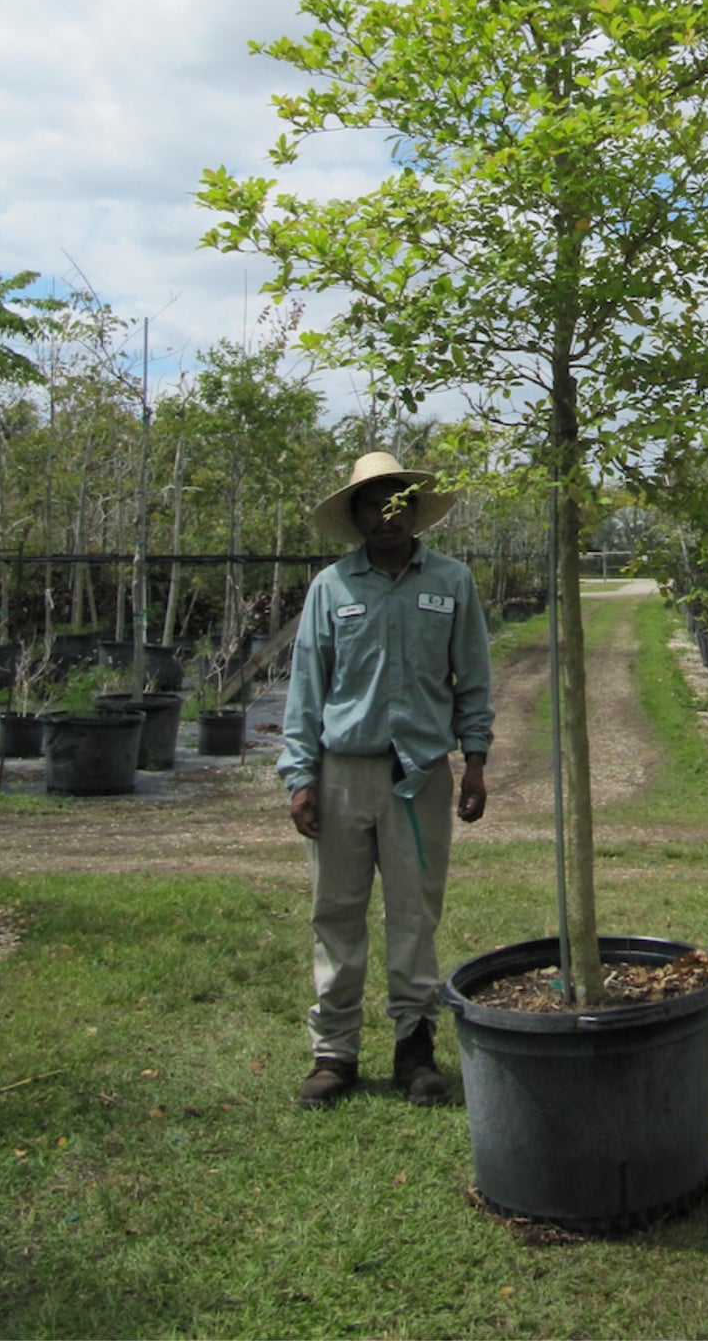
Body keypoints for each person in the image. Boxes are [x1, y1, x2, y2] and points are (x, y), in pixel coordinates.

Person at [280, 451, 493, 1108]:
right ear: (356, 516)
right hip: (343, 774)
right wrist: (299, 775)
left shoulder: (452, 583)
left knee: (414, 913)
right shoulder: (331, 589)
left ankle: (415, 1047)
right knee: (336, 913)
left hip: (421, 775)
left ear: (413, 510)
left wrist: (476, 760)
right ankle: (334, 1053)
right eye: (372, 504)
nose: (386, 515)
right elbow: (306, 690)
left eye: (397, 502)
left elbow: (473, 677)